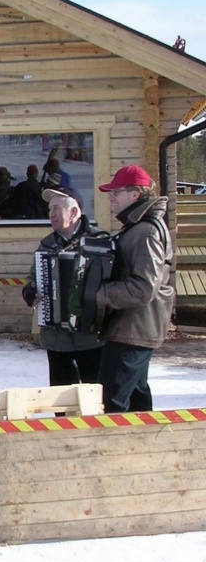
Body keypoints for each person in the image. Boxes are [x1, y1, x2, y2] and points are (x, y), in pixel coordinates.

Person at [94, 165, 174, 413]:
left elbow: (143, 288)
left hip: (133, 329)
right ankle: (145, 448)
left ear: (135, 195)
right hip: (136, 327)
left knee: (112, 405)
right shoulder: (138, 227)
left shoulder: (145, 232)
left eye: (116, 193)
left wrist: (98, 294)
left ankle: (118, 450)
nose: (111, 198)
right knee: (137, 402)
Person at [22, 186, 104, 389]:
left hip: (91, 337)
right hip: (56, 340)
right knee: (61, 401)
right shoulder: (47, 245)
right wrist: (30, 293)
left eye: (56, 208)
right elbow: (32, 279)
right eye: (50, 209)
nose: (51, 214)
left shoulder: (98, 241)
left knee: (95, 396)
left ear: (74, 212)